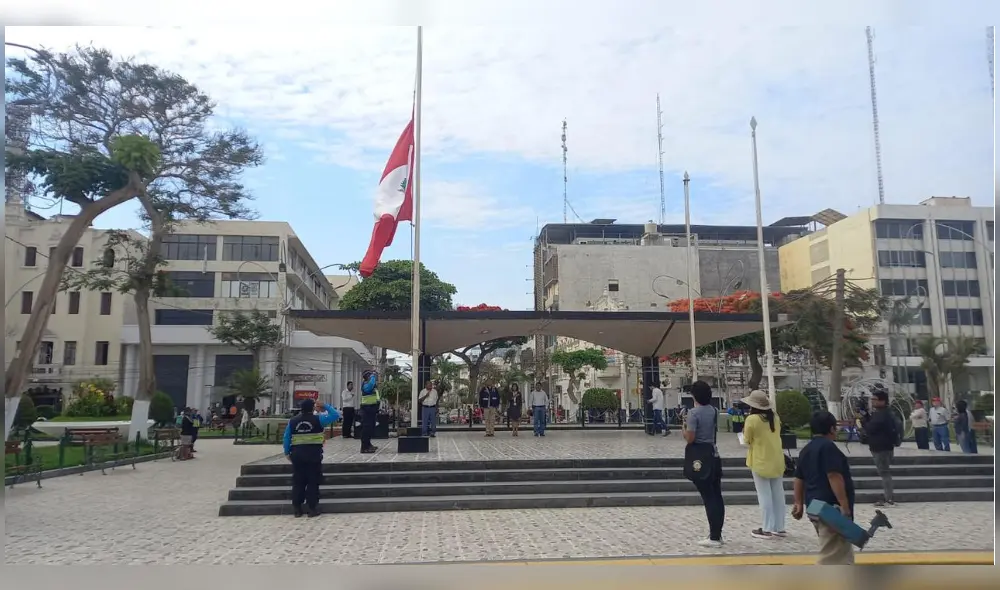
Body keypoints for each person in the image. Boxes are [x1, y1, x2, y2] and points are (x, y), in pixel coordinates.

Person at [792, 411, 856, 565]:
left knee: (840, 552)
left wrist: (798, 503)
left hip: (814, 506)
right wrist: (844, 507)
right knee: (833, 557)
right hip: (830, 509)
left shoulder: (806, 450)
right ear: (832, 429)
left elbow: (798, 478)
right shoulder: (828, 447)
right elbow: (834, 475)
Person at [282, 399, 341, 518]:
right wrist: (325, 405)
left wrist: (287, 452)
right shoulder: (318, 419)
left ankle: (297, 509)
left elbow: (286, 438)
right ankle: (312, 508)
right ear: (312, 408)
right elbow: (336, 415)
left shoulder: (293, 421)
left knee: (298, 481)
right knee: (313, 481)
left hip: (297, 455)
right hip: (313, 455)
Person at [683, 380, 724, 547]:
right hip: (714, 454)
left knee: (708, 497)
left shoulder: (693, 413)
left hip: (700, 456)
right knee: (717, 495)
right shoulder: (714, 411)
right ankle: (718, 533)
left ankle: (714, 537)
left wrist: (683, 429)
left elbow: (690, 437)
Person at [740, 390, 786, 539]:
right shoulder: (775, 417)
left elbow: (747, 440)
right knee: (778, 494)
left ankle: (766, 528)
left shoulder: (752, 419)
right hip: (777, 459)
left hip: (760, 460)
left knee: (764, 495)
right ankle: (779, 527)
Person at [861, 389, 897, 507]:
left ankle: (888, 498)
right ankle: (888, 497)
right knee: (884, 472)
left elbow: (871, 428)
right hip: (883, 446)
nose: (873, 401)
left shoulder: (882, 414)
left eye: (875, 399)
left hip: (881, 447)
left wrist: (864, 423)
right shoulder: (882, 413)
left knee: (884, 472)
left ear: (883, 401)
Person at [358, 370, 380, 454]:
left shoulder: (370, 384)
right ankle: (364, 447)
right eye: (370, 376)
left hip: (372, 408)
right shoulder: (366, 385)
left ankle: (368, 444)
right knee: (366, 428)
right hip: (366, 409)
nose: (373, 377)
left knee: (371, 428)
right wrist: (373, 376)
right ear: (367, 376)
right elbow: (370, 386)